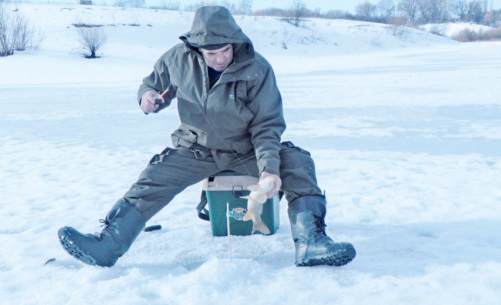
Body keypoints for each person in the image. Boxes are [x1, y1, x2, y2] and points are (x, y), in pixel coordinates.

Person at [58, 6, 356, 268]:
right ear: (196, 48)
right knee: (152, 177)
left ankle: (311, 243)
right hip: (195, 149)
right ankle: (108, 244)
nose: (219, 58)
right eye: (211, 53)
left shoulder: (258, 69)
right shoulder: (176, 59)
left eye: (225, 50)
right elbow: (152, 84)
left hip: (246, 150)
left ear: (234, 42)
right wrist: (147, 97)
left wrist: (268, 168)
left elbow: (267, 124)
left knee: (297, 162)